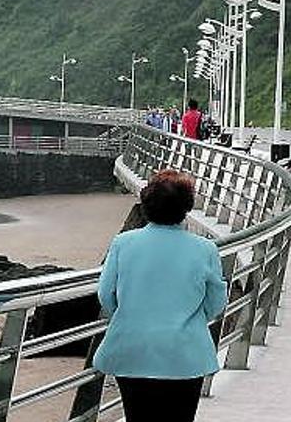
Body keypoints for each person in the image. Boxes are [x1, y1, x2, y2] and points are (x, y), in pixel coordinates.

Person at [93, 170, 228, 422]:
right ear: (187, 207)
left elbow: (105, 294)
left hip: (134, 346)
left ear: (146, 204)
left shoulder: (123, 243)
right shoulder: (205, 249)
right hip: (185, 351)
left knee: (138, 416)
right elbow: (216, 301)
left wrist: (128, 315)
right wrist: (194, 319)